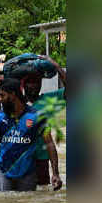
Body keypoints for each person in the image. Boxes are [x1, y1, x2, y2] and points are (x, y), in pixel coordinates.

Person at [0, 79, 62, 191]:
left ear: (13, 95)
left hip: (28, 171)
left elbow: (49, 144)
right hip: (3, 170)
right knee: (2, 202)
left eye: (2, 95)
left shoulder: (38, 116)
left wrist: (55, 173)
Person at [22, 55, 66, 186]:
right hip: (19, 158)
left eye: (37, 81)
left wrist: (56, 65)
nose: (34, 85)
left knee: (40, 194)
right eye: (30, 81)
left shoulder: (48, 99)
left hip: (41, 158)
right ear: (23, 84)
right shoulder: (16, 101)